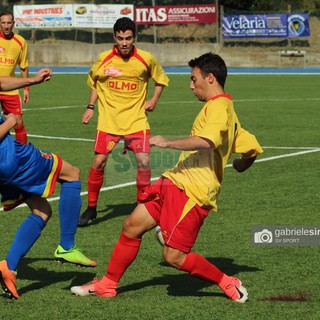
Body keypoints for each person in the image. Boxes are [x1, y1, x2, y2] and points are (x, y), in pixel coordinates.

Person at [70, 53, 263, 303]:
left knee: (173, 257)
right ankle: (107, 284)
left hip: (193, 193)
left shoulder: (219, 108)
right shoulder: (225, 109)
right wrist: (240, 164)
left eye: (194, 79)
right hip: (175, 180)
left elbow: (206, 142)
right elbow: (251, 147)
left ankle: (226, 281)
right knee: (131, 226)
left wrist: (166, 142)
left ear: (210, 78)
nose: (191, 85)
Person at [0, 69, 96, 300]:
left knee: (42, 210)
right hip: (11, 158)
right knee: (72, 174)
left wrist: (31, 80)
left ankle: (9, 269)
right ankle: (67, 245)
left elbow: (1, 81)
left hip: (4, 169)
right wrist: (11, 120)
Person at [78, 17, 169, 227]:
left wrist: (154, 99)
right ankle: (91, 208)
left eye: (128, 38)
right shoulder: (104, 58)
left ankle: (141, 204)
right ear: (114, 38)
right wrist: (90, 107)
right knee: (99, 162)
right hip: (109, 121)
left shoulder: (146, 59)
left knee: (144, 161)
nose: (125, 43)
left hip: (136, 120)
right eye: (120, 38)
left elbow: (161, 79)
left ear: (134, 37)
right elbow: (95, 83)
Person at [0, 11, 30, 144]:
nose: (6, 26)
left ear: (13, 24)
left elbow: (23, 66)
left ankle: (23, 157)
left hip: (10, 89)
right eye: (3, 23)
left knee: (18, 123)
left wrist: (26, 89)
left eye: (9, 23)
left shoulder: (20, 41)